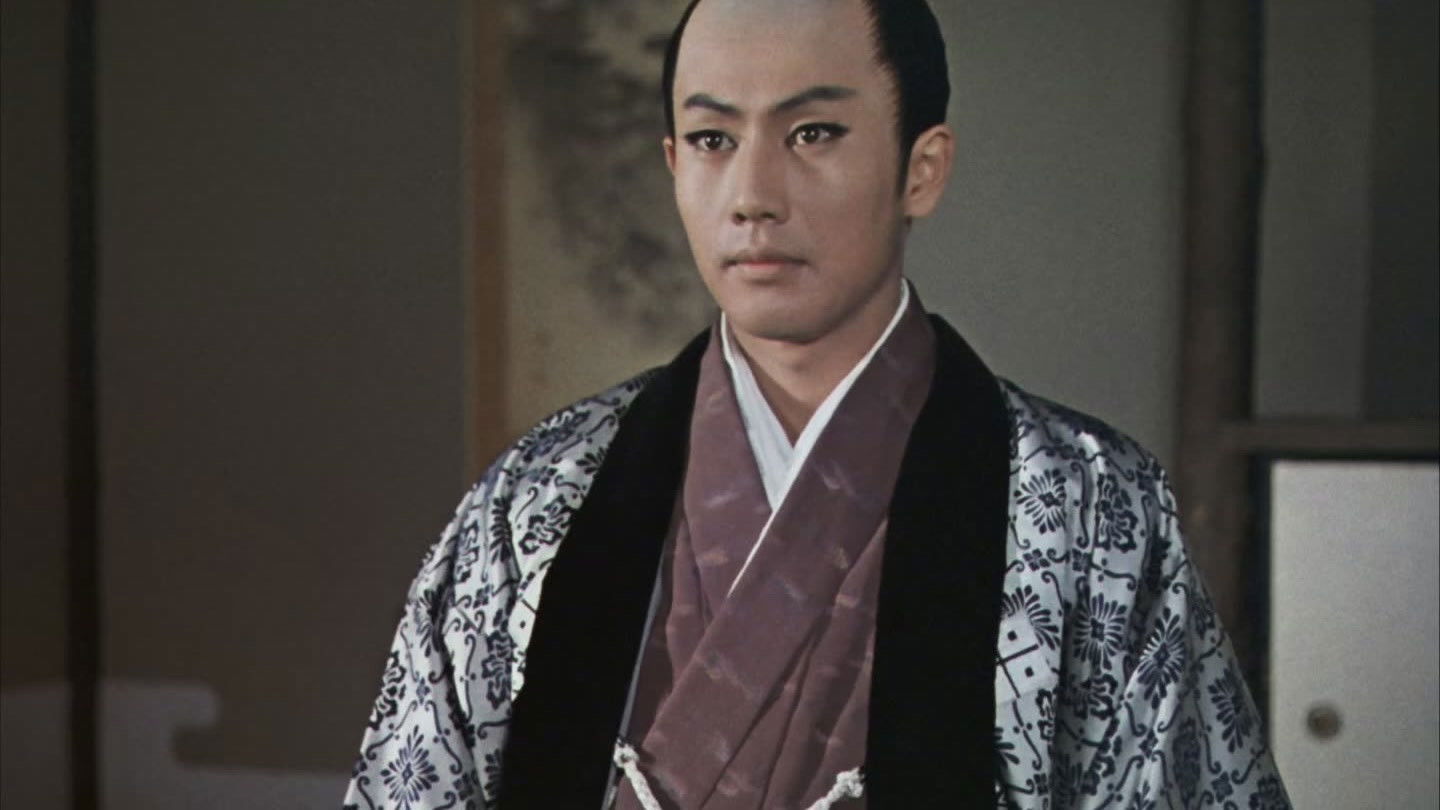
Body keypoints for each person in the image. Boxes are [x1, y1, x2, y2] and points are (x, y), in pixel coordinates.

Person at [344, 0, 1290, 807]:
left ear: (922, 168)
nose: (753, 195)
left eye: (812, 134)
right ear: (673, 162)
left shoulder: (1090, 506)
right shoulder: (541, 495)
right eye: (713, 141)